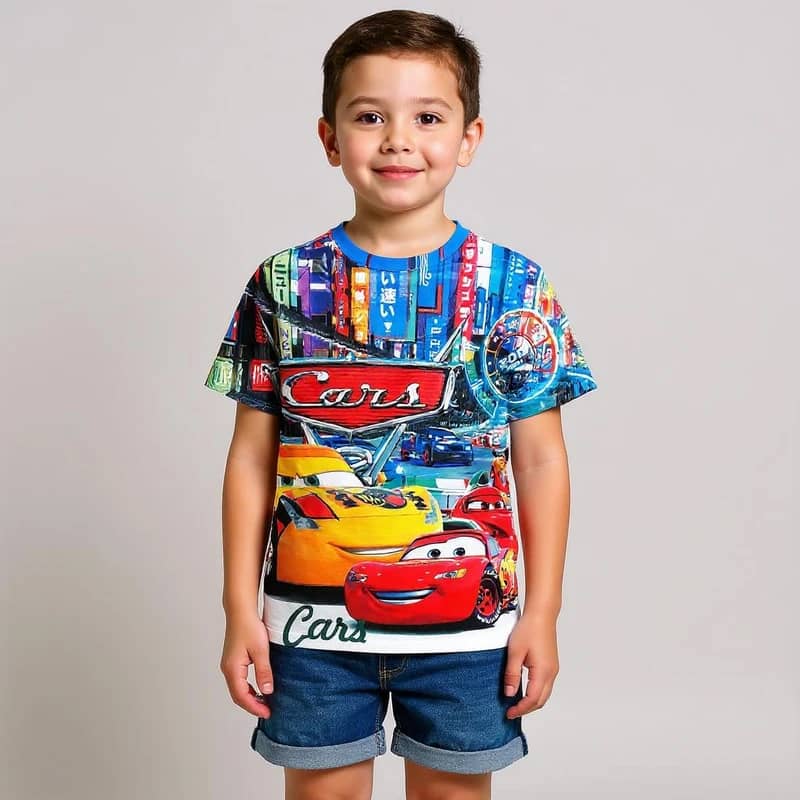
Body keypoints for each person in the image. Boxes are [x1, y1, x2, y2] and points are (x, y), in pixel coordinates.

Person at [203, 9, 598, 800]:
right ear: (329, 138)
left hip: (468, 636)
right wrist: (237, 607)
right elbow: (250, 458)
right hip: (311, 628)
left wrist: (543, 613)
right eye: (369, 117)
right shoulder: (281, 284)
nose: (397, 141)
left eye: (427, 117)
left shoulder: (514, 285)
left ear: (469, 138)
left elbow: (541, 460)